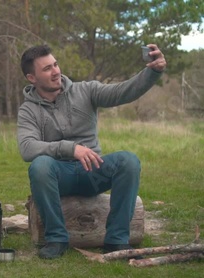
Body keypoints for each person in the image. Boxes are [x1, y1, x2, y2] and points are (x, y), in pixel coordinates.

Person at [17, 44, 167, 259]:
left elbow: (122, 92)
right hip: (60, 175)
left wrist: (153, 72)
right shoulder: (28, 110)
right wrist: (71, 148)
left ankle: (117, 241)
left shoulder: (85, 90)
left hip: (93, 171)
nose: (56, 71)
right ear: (32, 78)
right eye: (47, 68)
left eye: (56, 64)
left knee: (128, 161)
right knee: (40, 166)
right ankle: (56, 239)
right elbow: (27, 148)